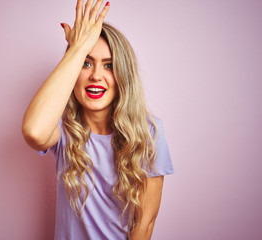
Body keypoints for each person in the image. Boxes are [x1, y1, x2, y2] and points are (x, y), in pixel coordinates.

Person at [22, 0, 174, 239]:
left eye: (109, 65)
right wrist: (76, 50)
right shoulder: (63, 128)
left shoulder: (149, 131)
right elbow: (34, 132)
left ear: (123, 73)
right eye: (86, 63)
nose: (96, 76)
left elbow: (145, 224)